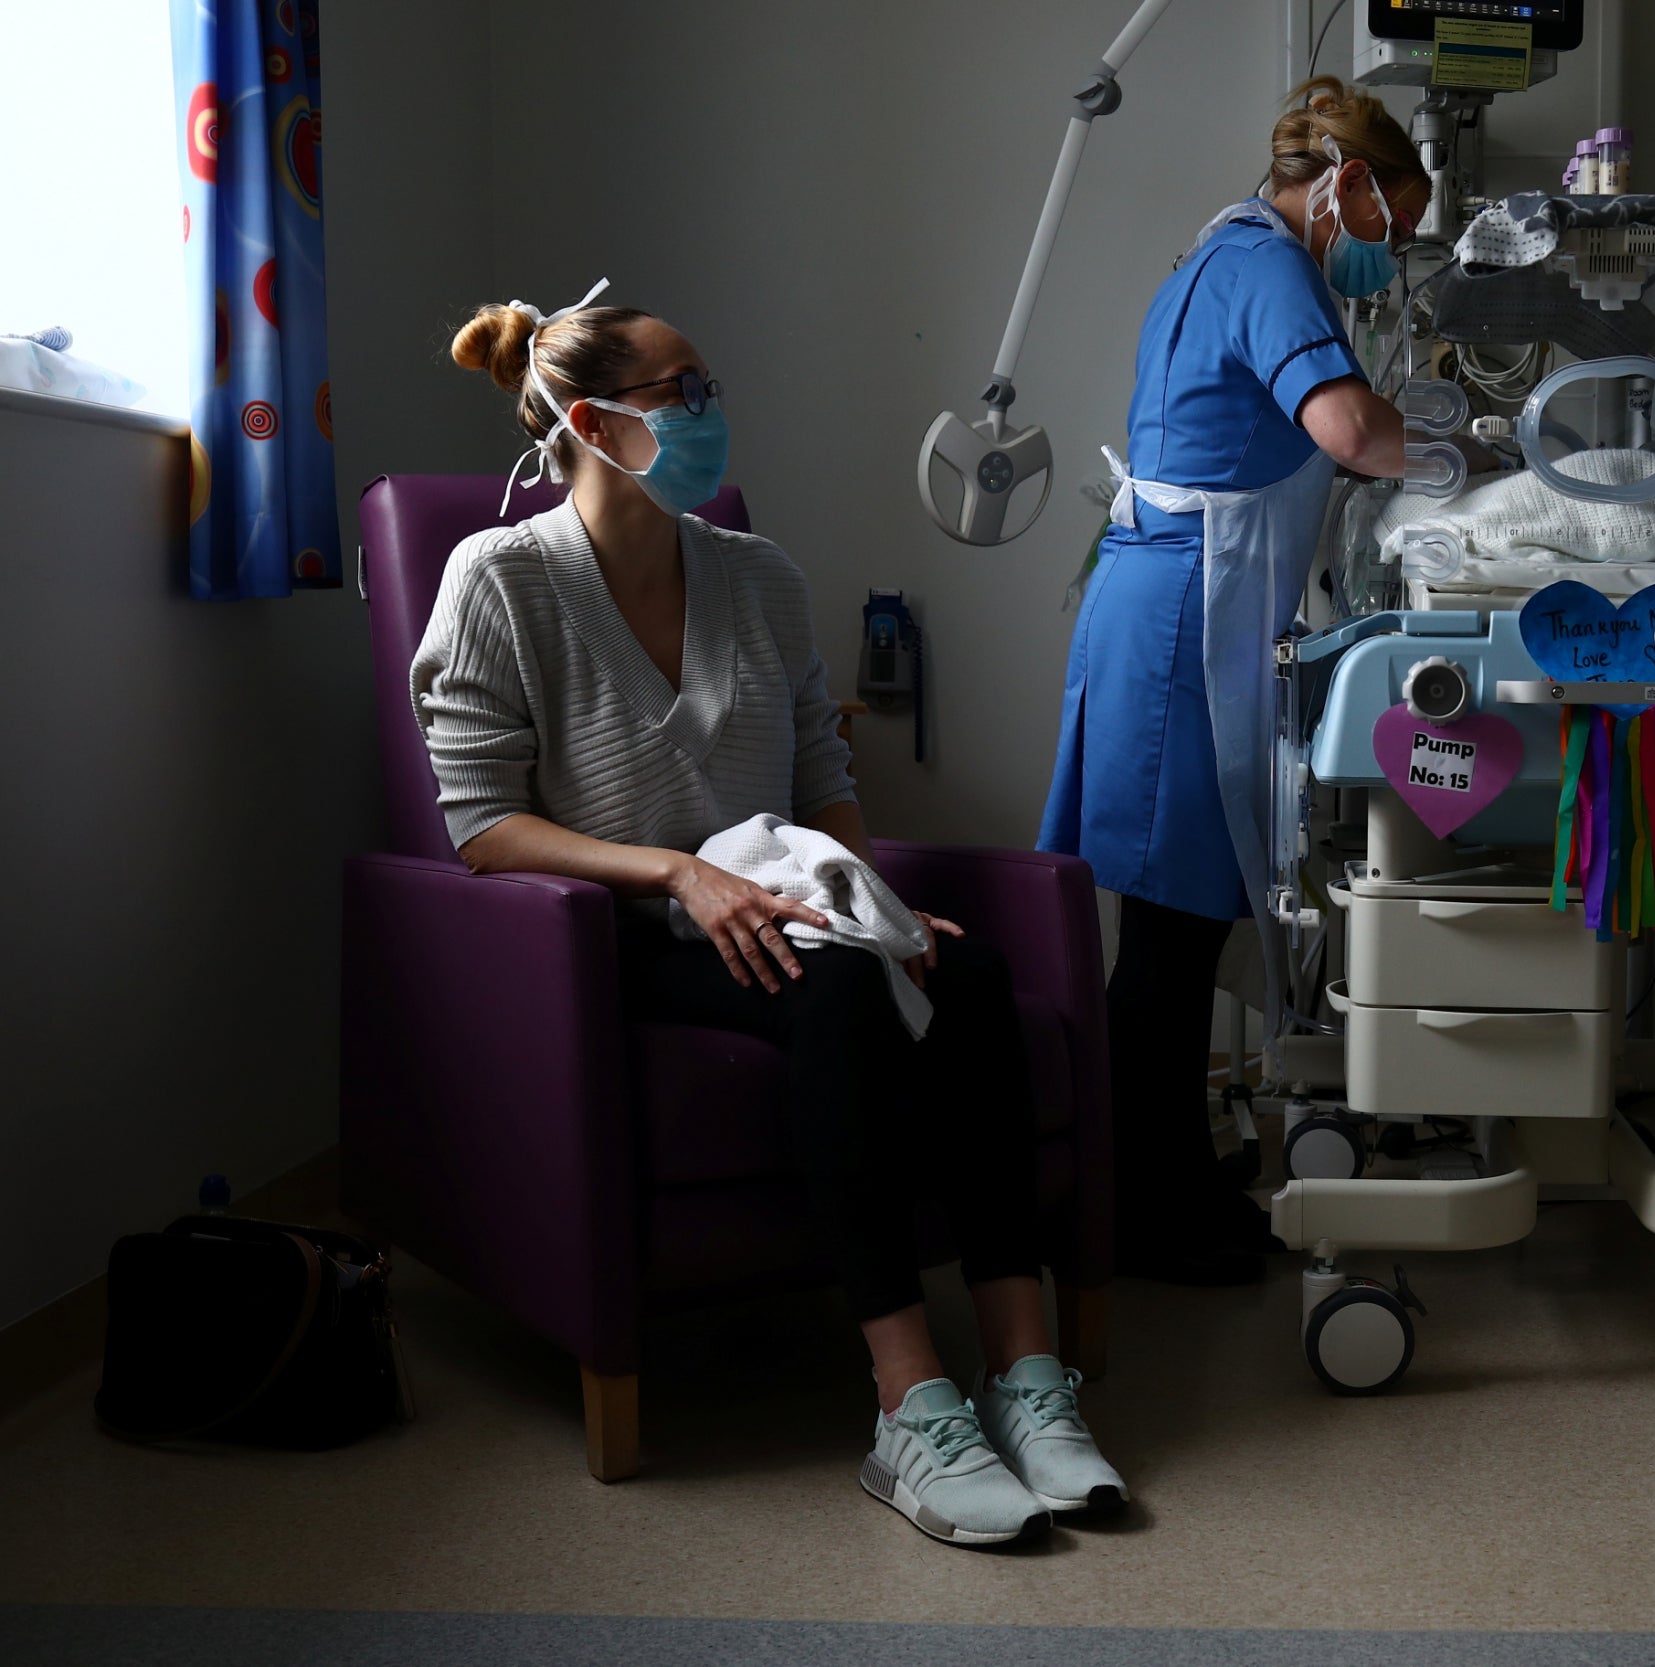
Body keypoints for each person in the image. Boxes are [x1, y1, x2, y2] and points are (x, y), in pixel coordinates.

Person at [415, 286, 1123, 1547]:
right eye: (681, 392)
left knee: (962, 974)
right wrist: (678, 874)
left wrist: (880, 904)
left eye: (711, 389)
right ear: (591, 419)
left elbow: (824, 784)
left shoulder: (761, 576)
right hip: (613, 936)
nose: (710, 413)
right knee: (842, 990)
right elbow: (481, 825)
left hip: (787, 905)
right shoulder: (501, 577)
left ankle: (1028, 1379)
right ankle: (909, 1401)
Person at [1039, 79, 1449, 1284]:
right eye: (1394, 225)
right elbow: (1351, 435)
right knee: (1164, 946)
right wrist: (1468, 454)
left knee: (1179, 927)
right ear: (1347, 188)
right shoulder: (1267, 265)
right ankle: (1144, 1215)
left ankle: (1161, 1176)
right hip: (1182, 622)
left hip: (1179, 609)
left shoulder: (1230, 253)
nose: (1394, 253)